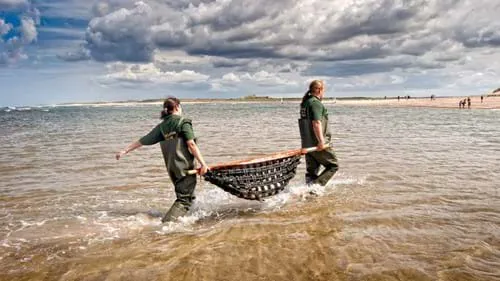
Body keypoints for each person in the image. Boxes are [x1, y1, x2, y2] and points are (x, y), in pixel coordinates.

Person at [115, 97, 209, 223]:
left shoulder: (162, 126)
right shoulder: (183, 122)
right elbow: (191, 144)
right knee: (184, 200)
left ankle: (189, 220)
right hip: (185, 168)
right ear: (177, 107)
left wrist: (125, 150)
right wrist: (203, 164)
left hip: (172, 169)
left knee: (186, 196)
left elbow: (143, 140)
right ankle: (166, 224)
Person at [298, 80, 339, 186]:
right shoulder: (316, 103)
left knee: (311, 172)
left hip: (307, 143)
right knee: (333, 165)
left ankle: (308, 195)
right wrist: (321, 142)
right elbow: (316, 123)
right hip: (317, 144)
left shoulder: (305, 102)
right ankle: (314, 189)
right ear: (320, 90)